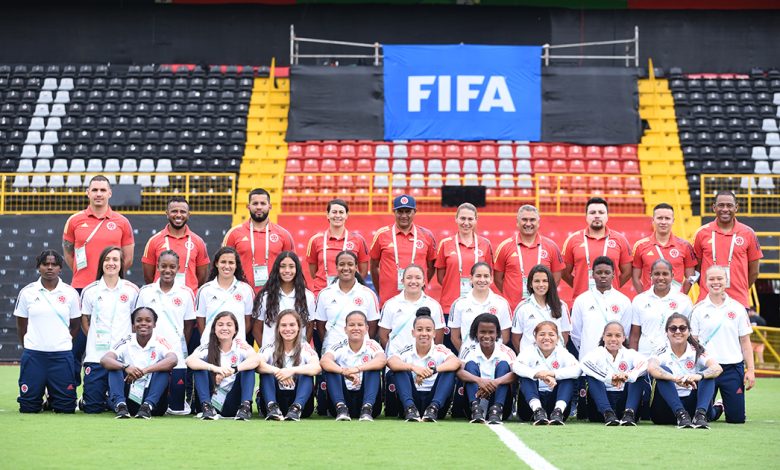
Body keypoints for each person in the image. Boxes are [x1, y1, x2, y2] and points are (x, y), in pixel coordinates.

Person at [62, 175, 135, 383]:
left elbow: (127, 258)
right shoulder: (75, 220)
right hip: (80, 290)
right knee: (75, 346)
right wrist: (86, 276)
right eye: (95, 190)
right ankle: (67, 393)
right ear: (88, 193)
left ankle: (112, 391)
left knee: (110, 344)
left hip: (112, 291)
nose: (99, 194)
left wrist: (107, 278)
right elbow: (69, 254)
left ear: (110, 193)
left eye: (103, 190)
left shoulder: (122, 222)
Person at [15, 250, 81, 413]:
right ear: (39, 267)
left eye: (54, 264)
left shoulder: (70, 293)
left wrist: (62, 342)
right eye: (45, 264)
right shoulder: (27, 292)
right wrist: (31, 347)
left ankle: (52, 399)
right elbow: (21, 326)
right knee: (28, 408)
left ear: (60, 268)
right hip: (34, 356)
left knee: (66, 409)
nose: (49, 268)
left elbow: (76, 325)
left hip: (61, 356)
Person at [690, 265, 755, 424]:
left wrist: (751, 370)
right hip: (707, 369)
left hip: (732, 368)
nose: (716, 282)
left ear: (726, 281)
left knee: (736, 419)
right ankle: (718, 407)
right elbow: (693, 343)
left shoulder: (738, 308)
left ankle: (725, 406)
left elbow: (745, 342)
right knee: (702, 416)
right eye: (711, 279)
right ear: (705, 282)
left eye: (720, 278)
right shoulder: (698, 309)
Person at [135, 250, 196, 415]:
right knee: (143, 403)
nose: (167, 270)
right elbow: (137, 321)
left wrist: (176, 344)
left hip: (175, 356)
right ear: (158, 267)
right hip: (148, 357)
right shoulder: (146, 292)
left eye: (172, 267)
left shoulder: (186, 293)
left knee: (176, 409)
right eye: (163, 266)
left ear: (178, 269)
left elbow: (189, 325)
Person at [80, 246, 140, 414]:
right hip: (96, 356)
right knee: (92, 409)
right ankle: (92, 399)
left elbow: (136, 322)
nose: (111, 263)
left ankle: (110, 399)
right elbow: (85, 320)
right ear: (101, 263)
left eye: (115, 260)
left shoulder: (132, 290)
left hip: (123, 359)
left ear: (122, 264)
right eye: (107, 259)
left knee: (129, 405)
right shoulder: (90, 291)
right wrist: (93, 338)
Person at [100, 307, 178, 419]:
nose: (143, 323)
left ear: (154, 324)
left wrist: (144, 371)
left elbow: (173, 360)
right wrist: (125, 367)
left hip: (154, 403)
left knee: (163, 369)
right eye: (139, 320)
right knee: (114, 366)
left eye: (148, 320)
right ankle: (120, 406)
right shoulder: (126, 340)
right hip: (129, 398)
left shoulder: (160, 341)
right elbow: (105, 359)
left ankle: (147, 406)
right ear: (133, 325)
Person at [648, 313, 723, 429]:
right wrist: (674, 378)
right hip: (667, 408)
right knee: (663, 371)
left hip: (691, 403)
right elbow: (651, 368)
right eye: (673, 328)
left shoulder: (697, 350)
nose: (678, 331)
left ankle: (701, 415)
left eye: (682, 328)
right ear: (666, 332)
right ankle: (681, 414)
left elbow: (717, 368)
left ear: (689, 331)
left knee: (707, 373)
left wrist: (698, 376)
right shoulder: (661, 350)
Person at [692, 190, 763, 308]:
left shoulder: (748, 233)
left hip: (738, 302)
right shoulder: (701, 233)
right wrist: (710, 287)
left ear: (736, 208)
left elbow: (754, 272)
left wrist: (740, 288)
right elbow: (697, 269)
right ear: (714, 207)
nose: (725, 209)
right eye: (721, 205)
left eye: (729, 205)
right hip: (707, 302)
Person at [387, 315, 460, 422]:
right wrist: (413, 367)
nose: (424, 334)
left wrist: (433, 370)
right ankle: (410, 408)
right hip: (412, 399)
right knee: (400, 369)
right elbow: (391, 362)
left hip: (435, 401)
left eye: (428, 330)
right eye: (419, 330)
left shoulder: (440, 349)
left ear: (434, 333)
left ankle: (433, 408)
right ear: (413, 332)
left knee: (449, 371)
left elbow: (455, 362)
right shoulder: (407, 350)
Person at [186, 311, 258, 420]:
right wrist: (215, 369)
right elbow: (189, 360)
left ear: (235, 330)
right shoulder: (207, 347)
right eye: (220, 325)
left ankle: (245, 407)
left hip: (232, 400)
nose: (224, 328)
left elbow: (256, 360)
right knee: (199, 366)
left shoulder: (241, 346)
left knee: (248, 367)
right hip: (212, 398)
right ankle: (206, 407)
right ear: (214, 329)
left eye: (229, 325)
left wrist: (234, 370)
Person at [223, 188, 295, 293]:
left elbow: (292, 265)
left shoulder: (283, 234)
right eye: (255, 203)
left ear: (270, 206)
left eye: (263, 203)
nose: (259, 207)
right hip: (241, 292)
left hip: (274, 293)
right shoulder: (234, 233)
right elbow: (224, 265)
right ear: (248, 206)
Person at [369, 194, 437, 306]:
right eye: (400, 211)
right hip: (389, 298)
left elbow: (431, 267)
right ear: (394, 212)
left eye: (408, 211)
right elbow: (374, 266)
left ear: (414, 212)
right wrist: (382, 289)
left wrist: (419, 283)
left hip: (418, 299)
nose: (404, 215)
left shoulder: (426, 235)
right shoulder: (382, 234)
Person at [494, 205, 564, 311]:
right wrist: (512, 296)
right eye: (524, 220)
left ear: (538, 223)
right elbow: (498, 279)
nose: (528, 223)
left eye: (532, 220)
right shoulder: (504, 247)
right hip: (512, 310)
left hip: (542, 309)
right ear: (517, 222)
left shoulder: (551, 246)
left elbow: (556, 278)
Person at [561, 197, 633, 300]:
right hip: (582, 301)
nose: (597, 215)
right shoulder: (573, 240)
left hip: (611, 301)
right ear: (586, 216)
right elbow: (564, 272)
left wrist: (613, 285)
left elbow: (628, 272)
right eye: (592, 212)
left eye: (601, 212)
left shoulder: (620, 240)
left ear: (607, 216)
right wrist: (579, 286)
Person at [320, 311, 386, 421]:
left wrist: (357, 369)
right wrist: (343, 371)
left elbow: (382, 360)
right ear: (345, 329)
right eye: (351, 325)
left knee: (373, 368)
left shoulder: (372, 344)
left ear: (366, 329)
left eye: (360, 325)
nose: (356, 328)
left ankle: (367, 408)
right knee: (332, 368)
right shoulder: (339, 345)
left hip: (368, 401)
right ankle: (341, 408)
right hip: (343, 400)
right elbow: (324, 361)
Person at [257, 310, 321, 421]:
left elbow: (317, 367)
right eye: (283, 325)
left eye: (292, 325)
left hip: (302, 406)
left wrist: (291, 371)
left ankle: (296, 407)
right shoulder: (269, 346)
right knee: (266, 372)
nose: (288, 329)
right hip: (276, 399)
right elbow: (257, 364)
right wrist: (278, 371)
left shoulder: (305, 347)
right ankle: (272, 407)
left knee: (306, 373)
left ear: (299, 328)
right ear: (277, 328)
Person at [434, 203, 494, 320]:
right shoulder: (445, 244)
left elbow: (489, 275)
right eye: (462, 218)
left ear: (476, 220)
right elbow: (441, 277)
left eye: (470, 219)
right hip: (450, 306)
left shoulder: (485, 244)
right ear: (456, 219)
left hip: (478, 306)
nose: (466, 223)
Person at [513, 321, 579, 425]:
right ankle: (538, 410)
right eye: (542, 334)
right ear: (535, 337)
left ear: (557, 338)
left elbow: (577, 369)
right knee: (527, 377)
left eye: (551, 334)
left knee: (568, 379)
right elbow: (516, 366)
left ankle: (558, 411)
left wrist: (552, 374)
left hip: (554, 402)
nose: (546, 338)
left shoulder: (562, 352)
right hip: (530, 408)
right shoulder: (529, 351)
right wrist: (538, 374)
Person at [581, 322, 647, 426]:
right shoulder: (597, 353)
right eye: (609, 335)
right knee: (592, 375)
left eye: (617, 335)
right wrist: (609, 378)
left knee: (638, 377)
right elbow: (584, 363)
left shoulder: (630, 353)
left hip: (624, 403)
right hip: (600, 407)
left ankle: (629, 414)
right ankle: (608, 413)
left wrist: (628, 376)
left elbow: (645, 364)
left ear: (623, 338)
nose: (613, 339)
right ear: (603, 337)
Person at [455, 314, 516, 424]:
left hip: (500, 402)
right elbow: (459, 372)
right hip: (474, 397)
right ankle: (475, 408)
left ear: (497, 333)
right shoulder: (468, 351)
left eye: (491, 332)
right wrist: (479, 381)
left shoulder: (507, 351)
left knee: (503, 365)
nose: (487, 336)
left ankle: (497, 409)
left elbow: (516, 374)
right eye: (482, 332)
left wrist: (496, 383)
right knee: (470, 365)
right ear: (476, 333)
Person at [141, 196, 210, 293]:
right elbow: (149, 277)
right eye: (174, 211)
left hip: (189, 301)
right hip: (160, 298)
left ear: (188, 214)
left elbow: (202, 277)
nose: (178, 215)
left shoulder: (198, 241)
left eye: (183, 212)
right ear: (167, 214)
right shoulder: (154, 241)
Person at [314, 251, 380, 351]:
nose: (345, 268)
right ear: (336, 267)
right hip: (331, 352)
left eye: (350, 264)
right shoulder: (325, 294)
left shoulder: (368, 294)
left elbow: (372, 326)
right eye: (341, 264)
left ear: (356, 267)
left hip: (361, 354)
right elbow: (320, 326)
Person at [570, 256, 632, 361]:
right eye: (599, 272)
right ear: (592, 274)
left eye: (607, 273)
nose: (603, 276)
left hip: (615, 361)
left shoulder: (624, 300)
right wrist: (587, 349)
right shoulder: (581, 300)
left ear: (613, 274)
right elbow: (576, 335)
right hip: (588, 360)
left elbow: (625, 332)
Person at [629, 259, 694, 356]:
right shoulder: (639, 300)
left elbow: (689, 334)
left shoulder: (684, 301)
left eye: (665, 274)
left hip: (674, 356)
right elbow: (634, 336)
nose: (661, 277)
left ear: (672, 276)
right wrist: (633, 359)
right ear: (651, 275)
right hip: (645, 355)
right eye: (657, 274)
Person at [305, 199, 369, 296]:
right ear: (327, 214)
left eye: (341, 212)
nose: (338, 215)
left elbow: (362, 272)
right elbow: (314, 272)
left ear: (346, 215)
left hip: (349, 293)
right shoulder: (315, 240)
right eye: (334, 212)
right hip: (322, 292)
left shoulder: (358, 240)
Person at [252, 251, 315, 348]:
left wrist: (300, 349)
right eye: (283, 266)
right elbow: (256, 328)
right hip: (271, 356)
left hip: (297, 356)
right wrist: (266, 350)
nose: (287, 270)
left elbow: (310, 326)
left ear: (297, 269)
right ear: (277, 269)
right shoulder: (265, 296)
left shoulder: (308, 296)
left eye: (291, 266)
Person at [378, 264, 445, 354]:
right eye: (409, 277)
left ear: (424, 282)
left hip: (425, 362)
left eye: (418, 278)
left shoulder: (434, 306)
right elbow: (383, 336)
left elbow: (438, 338)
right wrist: (394, 356)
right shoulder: (390, 304)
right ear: (402, 281)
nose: (413, 281)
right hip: (397, 362)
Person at [631, 203, 697, 294]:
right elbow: (635, 278)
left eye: (667, 218)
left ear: (673, 221)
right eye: (660, 218)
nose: (663, 222)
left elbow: (691, 276)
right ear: (653, 220)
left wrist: (681, 296)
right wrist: (644, 297)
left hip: (675, 303)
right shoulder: (640, 246)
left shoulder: (685, 246)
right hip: (650, 302)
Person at [195, 247, 254, 346]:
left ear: (236, 266)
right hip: (211, 346)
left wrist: (233, 338)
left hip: (237, 347)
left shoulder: (246, 290)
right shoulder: (205, 290)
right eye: (223, 262)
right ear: (216, 263)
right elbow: (201, 321)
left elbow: (249, 321)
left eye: (231, 263)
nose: (227, 266)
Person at [448, 262, 511, 353]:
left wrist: (492, 354)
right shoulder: (459, 303)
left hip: (495, 357)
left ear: (491, 279)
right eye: (478, 276)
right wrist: (467, 354)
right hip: (469, 359)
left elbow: (505, 337)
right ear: (471, 278)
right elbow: (454, 337)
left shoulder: (502, 303)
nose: (482, 280)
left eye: (486, 276)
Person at [511, 264, 571, 353]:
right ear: (530, 284)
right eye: (537, 281)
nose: (541, 284)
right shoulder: (522, 307)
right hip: (530, 362)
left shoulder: (561, 306)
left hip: (555, 361)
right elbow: (516, 338)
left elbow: (564, 335)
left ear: (550, 283)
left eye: (545, 281)